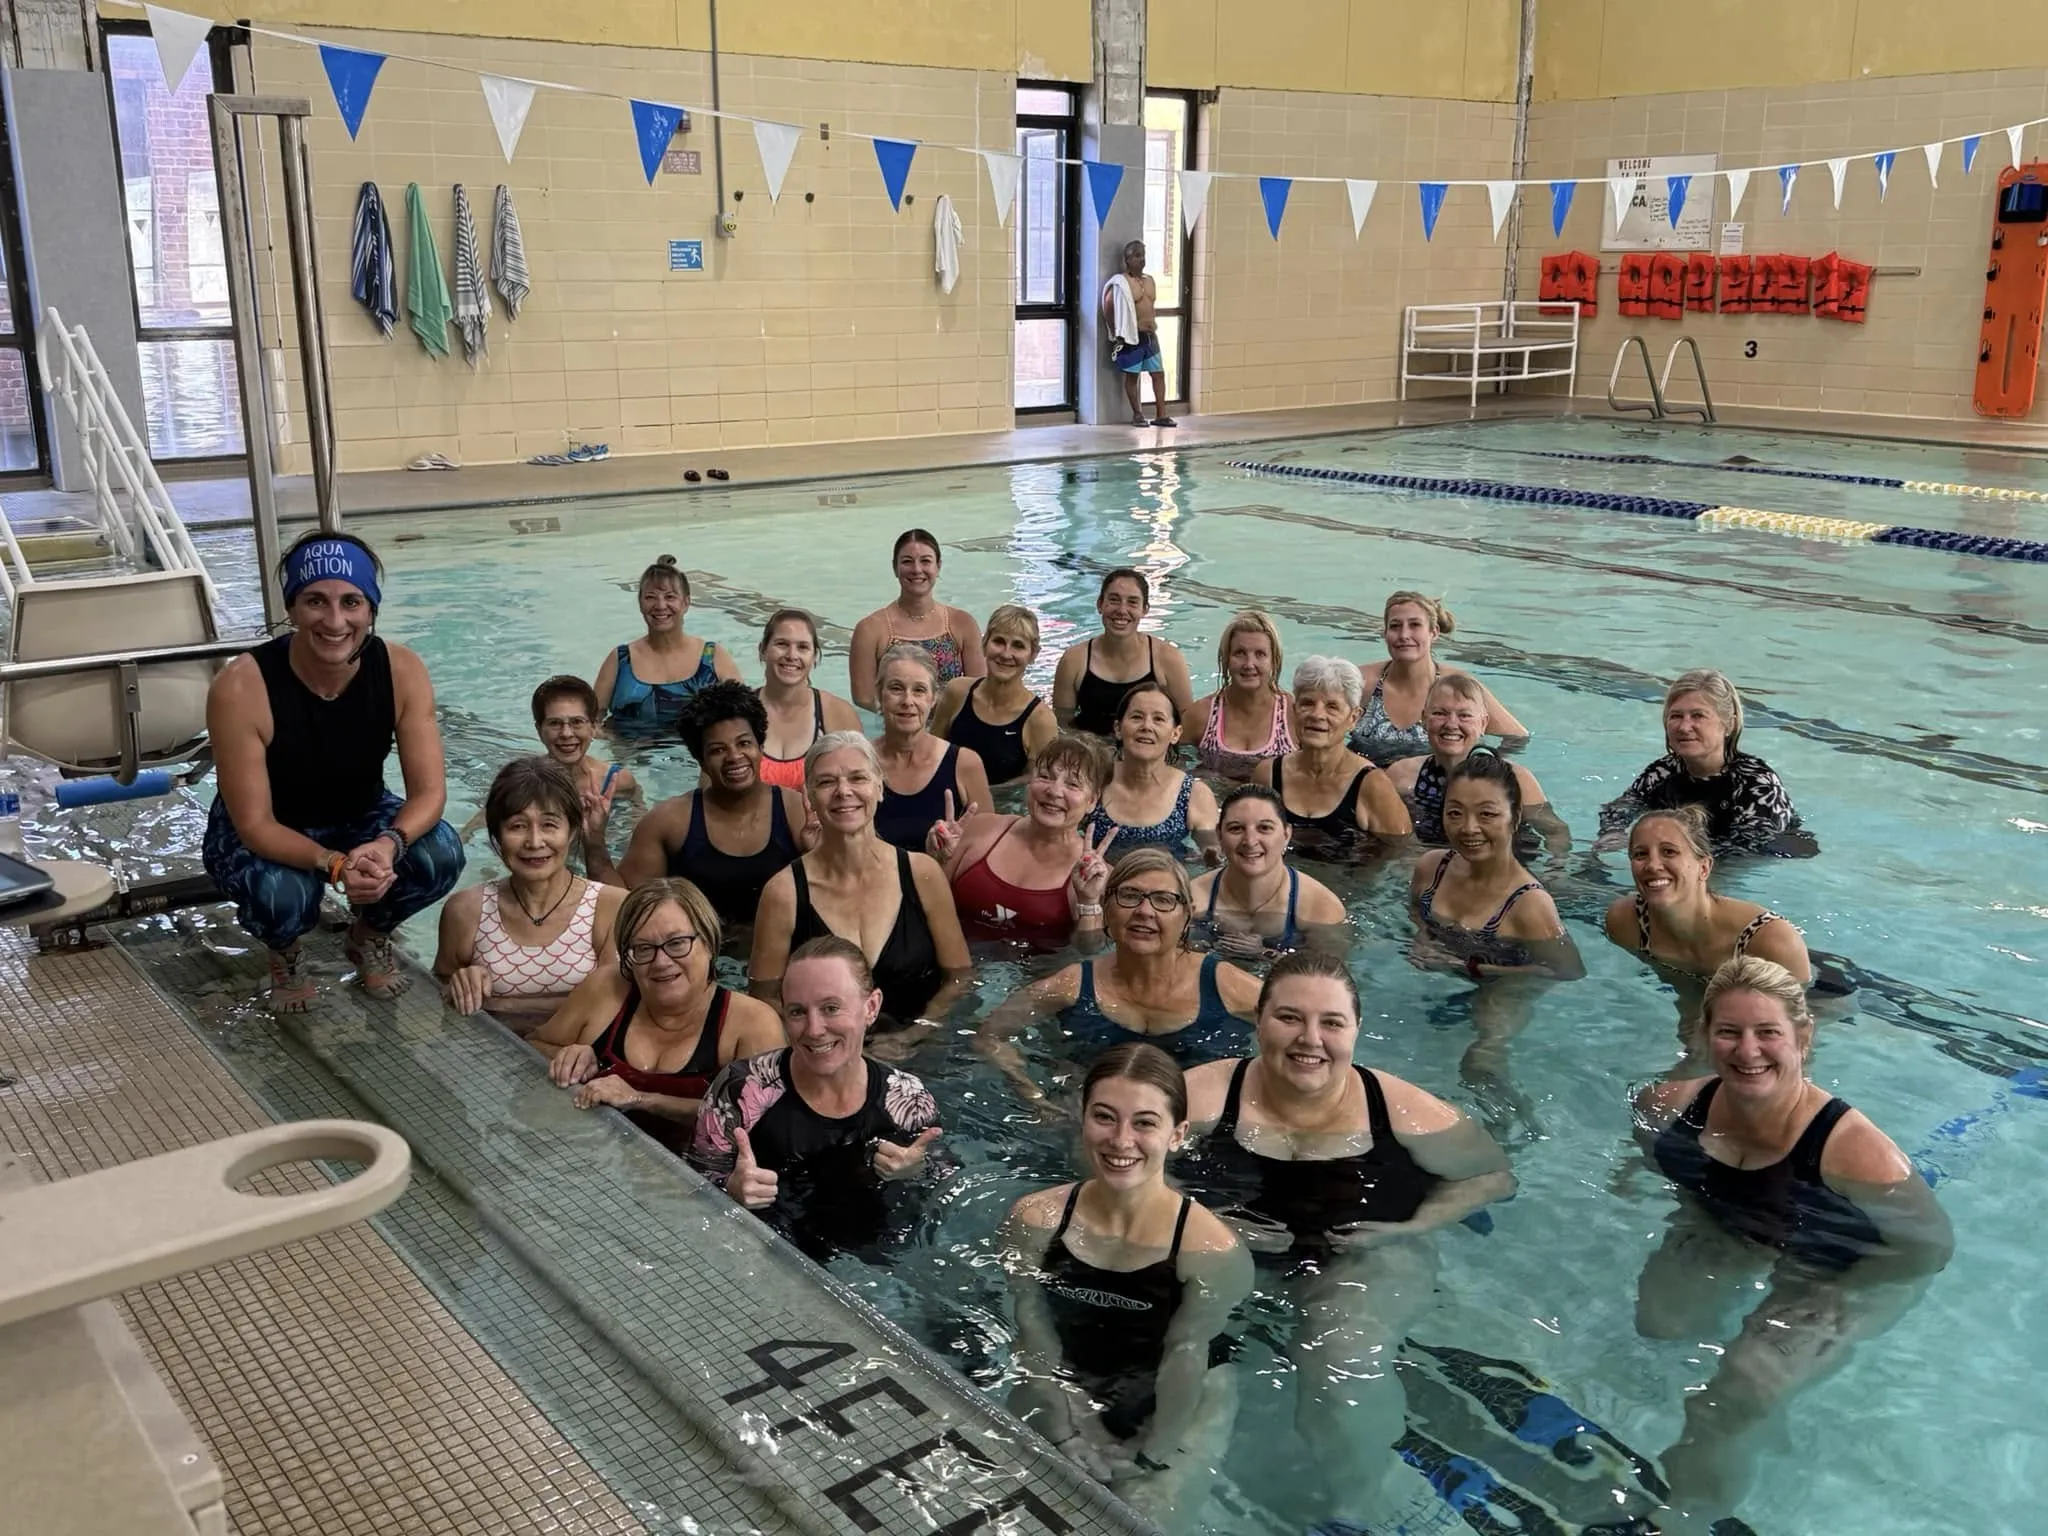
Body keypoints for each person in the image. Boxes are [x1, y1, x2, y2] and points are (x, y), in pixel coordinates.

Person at [1178, 953, 1514, 1529]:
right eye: (1289, 1017)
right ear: (1257, 1021)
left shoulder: (1403, 1110)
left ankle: (1353, 1511)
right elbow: (1114, 1168)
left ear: (1356, 1030)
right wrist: (1195, 1220)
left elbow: (1494, 1177)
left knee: (1343, 1365)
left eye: (1332, 1022)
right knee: (1178, 1345)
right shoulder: (1202, 1096)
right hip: (1236, 1248)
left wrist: (1415, 1226)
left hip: (1361, 1252)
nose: (1311, 1039)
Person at [1620, 958, 1950, 1535]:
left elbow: (1929, 1249)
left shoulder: (1859, 1155)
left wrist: (1843, 1297)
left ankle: (1688, 1514)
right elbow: (1661, 1158)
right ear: (1705, 1036)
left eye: (1767, 1032)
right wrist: (1698, 1219)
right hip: (1741, 1226)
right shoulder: (1666, 1106)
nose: (1748, 1051)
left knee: (1735, 1393)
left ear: (1803, 1036)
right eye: (1729, 1031)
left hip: (1839, 1265)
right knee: (1661, 1323)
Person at [202, 530, 464, 1012]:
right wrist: (336, 864)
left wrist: (388, 845)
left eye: (352, 602)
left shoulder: (401, 671)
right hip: (266, 829)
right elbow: (256, 825)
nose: (335, 620)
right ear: (292, 608)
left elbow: (428, 795)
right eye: (315, 601)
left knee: (441, 854)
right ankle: (285, 952)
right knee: (281, 894)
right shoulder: (242, 686)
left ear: (371, 609)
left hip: (358, 814)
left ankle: (367, 934)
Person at [1002, 1045, 1246, 1528]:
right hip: (1070, 1379)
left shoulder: (1211, 1251)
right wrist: (1067, 1428)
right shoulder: (1036, 1219)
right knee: (1021, 1496)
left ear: (1177, 1135)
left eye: (1145, 1123)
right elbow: (1030, 1327)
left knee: (1143, 1517)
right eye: (1105, 1117)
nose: (1120, 1140)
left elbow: (1186, 1360)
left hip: (1185, 1399)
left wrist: (1151, 1453)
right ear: (1083, 1119)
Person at [692, 935, 945, 1262]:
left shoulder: (908, 1100)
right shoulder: (741, 1090)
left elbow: (943, 1177)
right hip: (763, 1255)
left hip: (876, 1257)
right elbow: (693, 1178)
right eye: (797, 1012)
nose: (813, 1029)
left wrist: (915, 1170)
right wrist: (730, 1189)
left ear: (871, 1007)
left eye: (830, 1008)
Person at [978, 848, 1261, 1103]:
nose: (1144, 911)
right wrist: (1037, 1100)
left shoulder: (1227, 987)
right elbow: (988, 1037)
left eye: (1163, 900)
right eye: (1129, 896)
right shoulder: (1072, 986)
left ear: (1187, 916)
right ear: (1107, 907)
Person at [529, 878, 781, 1152]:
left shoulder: (752, 1024)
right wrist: (569, 1057)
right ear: (628, 957)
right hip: (591, 1155)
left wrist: (641, 1099)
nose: (661, 962)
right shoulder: (605, 991)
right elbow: (528, 1047)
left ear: (709, 943)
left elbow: (764, 1122)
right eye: (643, 948)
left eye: (677, 943)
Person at [750, 733, 971, 1038]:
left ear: (879, 787)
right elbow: (764, 998)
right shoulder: (783, 893)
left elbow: (959, 979)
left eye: (858, 778)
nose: (844, 791)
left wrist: (912, 1039)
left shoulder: (922, 874)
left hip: (921, 1051)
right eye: (827, 782)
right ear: (809, 796)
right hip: (823, 1053)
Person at [589, 682, 808, 931]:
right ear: (701, 762)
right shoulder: (669, 823)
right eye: (718, 750)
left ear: (761, 747)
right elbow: (627, 907)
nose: (734, 756)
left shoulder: (797, 812)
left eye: (744, 743)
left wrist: (822, 850)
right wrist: (594, 843)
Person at [434, 757, 624, 1031]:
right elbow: (438, 990)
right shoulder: (465, 911)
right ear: (497, 836)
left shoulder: (609, 907)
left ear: (571, 831)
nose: (534, 842)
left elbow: (616, 1002)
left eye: (549, 825)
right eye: (517, 826)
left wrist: (499, 1004)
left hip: (581, 1062)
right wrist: (460, 984)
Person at [1607, 806, 1812, 1041]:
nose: (1653, 865)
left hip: (1819, 990)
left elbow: (1797, 1033)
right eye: (1640, 854)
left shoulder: (1770, 940)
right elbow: (1684, 988)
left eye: (1669, 852)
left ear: (1704, 867)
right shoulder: (1627, 924)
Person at [926, 733, 1115, 946]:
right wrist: (935, 862)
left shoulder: (1095, 876)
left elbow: (1089, 952)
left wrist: (1089, 902)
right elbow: (926, 908)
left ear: (1092, 801)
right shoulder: (979, 830)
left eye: (1072, 785)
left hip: (1035, 977)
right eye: (1045, 776)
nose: (1054, 791)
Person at [1408, 753, 1582, 982]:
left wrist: (1470, 967)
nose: (1469, 828)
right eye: (1455, 813)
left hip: (1502, 985)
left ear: (1515, 817)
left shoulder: (1530, 904)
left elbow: (1567, 971)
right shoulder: (1431, 868)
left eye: (1487, 814)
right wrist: (1422, 937)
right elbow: (1415, 912)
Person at [1599, 669, 1807, 857]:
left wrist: (1671, 853)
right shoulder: (1665, 770)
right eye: (1676, 716)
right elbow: (1620, 807)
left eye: (1698, 716)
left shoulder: (1756, 783)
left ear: (1729, 723)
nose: (1684, 726)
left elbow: (1751, 848)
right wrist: (1613, 833)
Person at [1386, 672, 1564, 854]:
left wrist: (1555, 869)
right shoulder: (1402, 775)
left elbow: (1555, 831)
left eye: (1464, 715)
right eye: (1440, 713)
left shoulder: (1516, 779)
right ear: (1424, 719)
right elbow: (1390, 834)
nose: (1451, 724)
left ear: (1483, 723)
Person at [1253, 656, 1412, 855]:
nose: (1317, 715)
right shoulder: (1267, 774)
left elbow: (1399, 856)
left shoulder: (1372, 785)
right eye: (1307, 703)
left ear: (1353, 718)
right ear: (1294, 711)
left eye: (1332, 707)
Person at [1348, 591, 1527, 765]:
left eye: (1415, 625)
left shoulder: (1459, 685)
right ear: (1385, 634)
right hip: (1366, 789)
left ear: (1434, 632)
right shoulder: (1362, 682)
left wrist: (1482, 770)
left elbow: (1517, 737)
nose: (1404, 635)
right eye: (1395, 626)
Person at [1189, 786, 1346, 961]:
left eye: (1264, 828)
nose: (1250, 841)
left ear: (1286, 834)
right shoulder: (1192, 899)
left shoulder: (1320, 908)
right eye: (1236, 828)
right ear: (1219, 835)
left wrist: (1265, 954)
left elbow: (1324, 981)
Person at [592, 555, 743, 734]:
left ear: (686, 602)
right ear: (640, 603)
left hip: (697, 759)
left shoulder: (713, 656)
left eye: (670, 597)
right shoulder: (620, 659)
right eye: (650, 597)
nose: (660, 605)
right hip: (632, 757)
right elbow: (591, 722)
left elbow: (745, 715)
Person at [872, 643, 993, 854]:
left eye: (919, 690)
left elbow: (990, 848)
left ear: (933, 698)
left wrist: (956, 849)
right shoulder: (859, 762)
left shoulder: (964, 763)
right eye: (896, 688)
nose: (907, 701)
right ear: (879, 695)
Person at [848, 528, 984, 710]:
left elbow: (978, 691)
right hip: (895, 726)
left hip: (948, 727)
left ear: (938, 566)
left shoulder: (962, 624)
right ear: (895, 568)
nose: (917, 570)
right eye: (907, 562)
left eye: (926, 561)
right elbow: (864, 699)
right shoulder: (870, 630)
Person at [1052, 568, 1195, 738]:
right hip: (1092, 756)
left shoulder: (1168, 659)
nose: (1122, 610)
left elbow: (1186, 725)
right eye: (1114, 600)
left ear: (1145, 609)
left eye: (1132, 602)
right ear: (1100, 605)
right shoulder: (1074, 660)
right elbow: (1063, 726)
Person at [1083, 683, 1218, 858]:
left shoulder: (1194, 794)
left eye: (1158, 719)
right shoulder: (1095, 781)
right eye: (1137, 717)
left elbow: (1213, 858)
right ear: (1118, 728)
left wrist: (1209, 856)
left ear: (1175, 734)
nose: (1147, 726)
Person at [931, 604, 1057, 787]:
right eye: (998, 642)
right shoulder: (957, 692)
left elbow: (1037, 781)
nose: (1006, 654)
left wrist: (978, 792)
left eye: (1018, 646)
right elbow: (930, 749)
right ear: (984, 645)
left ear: (1033, 655)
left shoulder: (1041, 719)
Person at [1183, 610, 1296, 782]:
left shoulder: (1293, 713)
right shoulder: (1201, 715)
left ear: (1274, 661)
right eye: (1240, 653)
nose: (1249, 664)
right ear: (1226, 659)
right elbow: (1172, 768)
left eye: (1260, 654)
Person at [756, 608, 862, 791]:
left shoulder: (837, 714)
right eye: (782, 644)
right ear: (763, 650)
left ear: (814, 657)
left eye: (803, 647)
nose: (791, 655)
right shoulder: (737, 712)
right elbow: (711, 794)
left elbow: (860, 789)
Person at [529, 674, 636, 847]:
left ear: (593, 727)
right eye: (555, 723)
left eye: (577, 722)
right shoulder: (522, 782)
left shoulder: (618, 781)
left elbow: (637, 839)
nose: (566, 733)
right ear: (539, 729)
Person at [1102, 240, 1174, 428]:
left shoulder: (1149, 281)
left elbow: (1150, 306)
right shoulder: (1122, 283)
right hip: (1132, 336)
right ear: (1127, 260)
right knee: (1132, 376)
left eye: (1143, 255)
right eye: (1137, 256)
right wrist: (1115, 331)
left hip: (1150, 335)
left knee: (1158, 374)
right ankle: (1138, 414)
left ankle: (1161, 414)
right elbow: (1108, 304)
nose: (1141, 260)